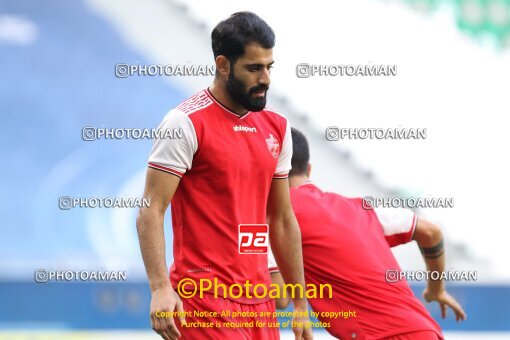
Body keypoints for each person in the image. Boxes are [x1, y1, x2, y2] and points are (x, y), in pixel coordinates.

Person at [136, 12, 312, 340]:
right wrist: (160, 288)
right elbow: (151, 209)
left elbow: (283, 219)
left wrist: (300, 301)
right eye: (254, 68)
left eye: (269, 67)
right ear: (223, 65)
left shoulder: (278, 127)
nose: (266, 79)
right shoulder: (184, 123)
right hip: (202, 299)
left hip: (260, 304)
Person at [269, 128, 466, 340]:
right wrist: (436, 289)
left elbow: (279, 297)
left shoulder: (279, 216)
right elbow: (431, 232)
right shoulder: (362, 208)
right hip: (424, 330)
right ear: (309, 169)